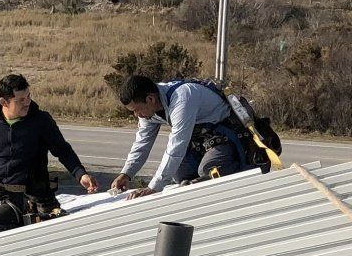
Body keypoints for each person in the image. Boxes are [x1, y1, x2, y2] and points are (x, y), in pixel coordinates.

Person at [0, 73, 96, 237]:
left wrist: (80, 174)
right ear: (4, 102)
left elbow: (63, 150)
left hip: (31, 195)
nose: (27, 102)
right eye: (21, 100)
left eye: (28, 96)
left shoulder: (41, 120)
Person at [111, 73, 265, 194]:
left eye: (136, 110)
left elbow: (176, 147)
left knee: (209, 171)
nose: (136, 115)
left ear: (150, 99)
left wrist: (153, 187)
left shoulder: (182, 98)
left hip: (227, 136)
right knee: (180, 175)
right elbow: (142, 144)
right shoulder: (148, 110)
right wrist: (126, 174)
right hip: (200, 140)